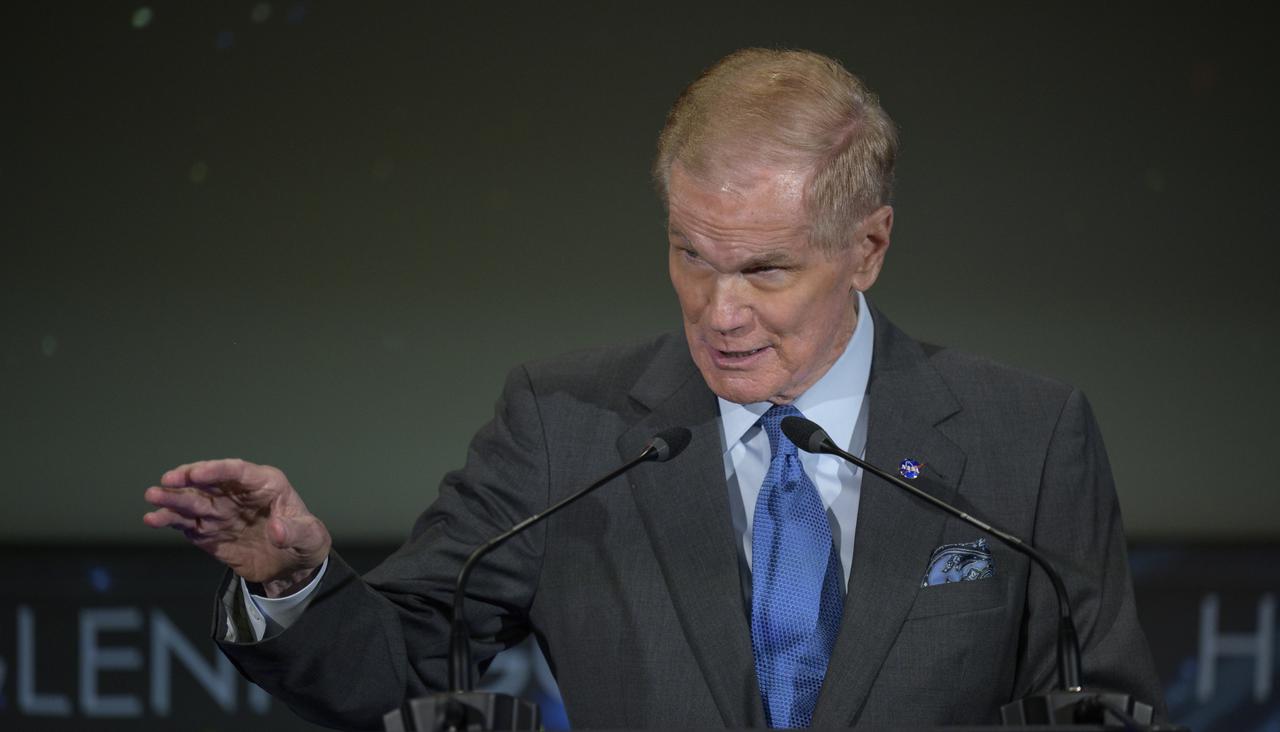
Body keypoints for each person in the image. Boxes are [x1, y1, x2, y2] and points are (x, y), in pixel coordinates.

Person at [143, 48, 1164, 729]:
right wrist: (294, 580)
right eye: (690, 257)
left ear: (868, 247)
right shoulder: (566, 427)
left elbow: (1098, 706)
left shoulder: (1025, 437)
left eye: (764, 270)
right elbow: (404, 670)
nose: (720, 312)